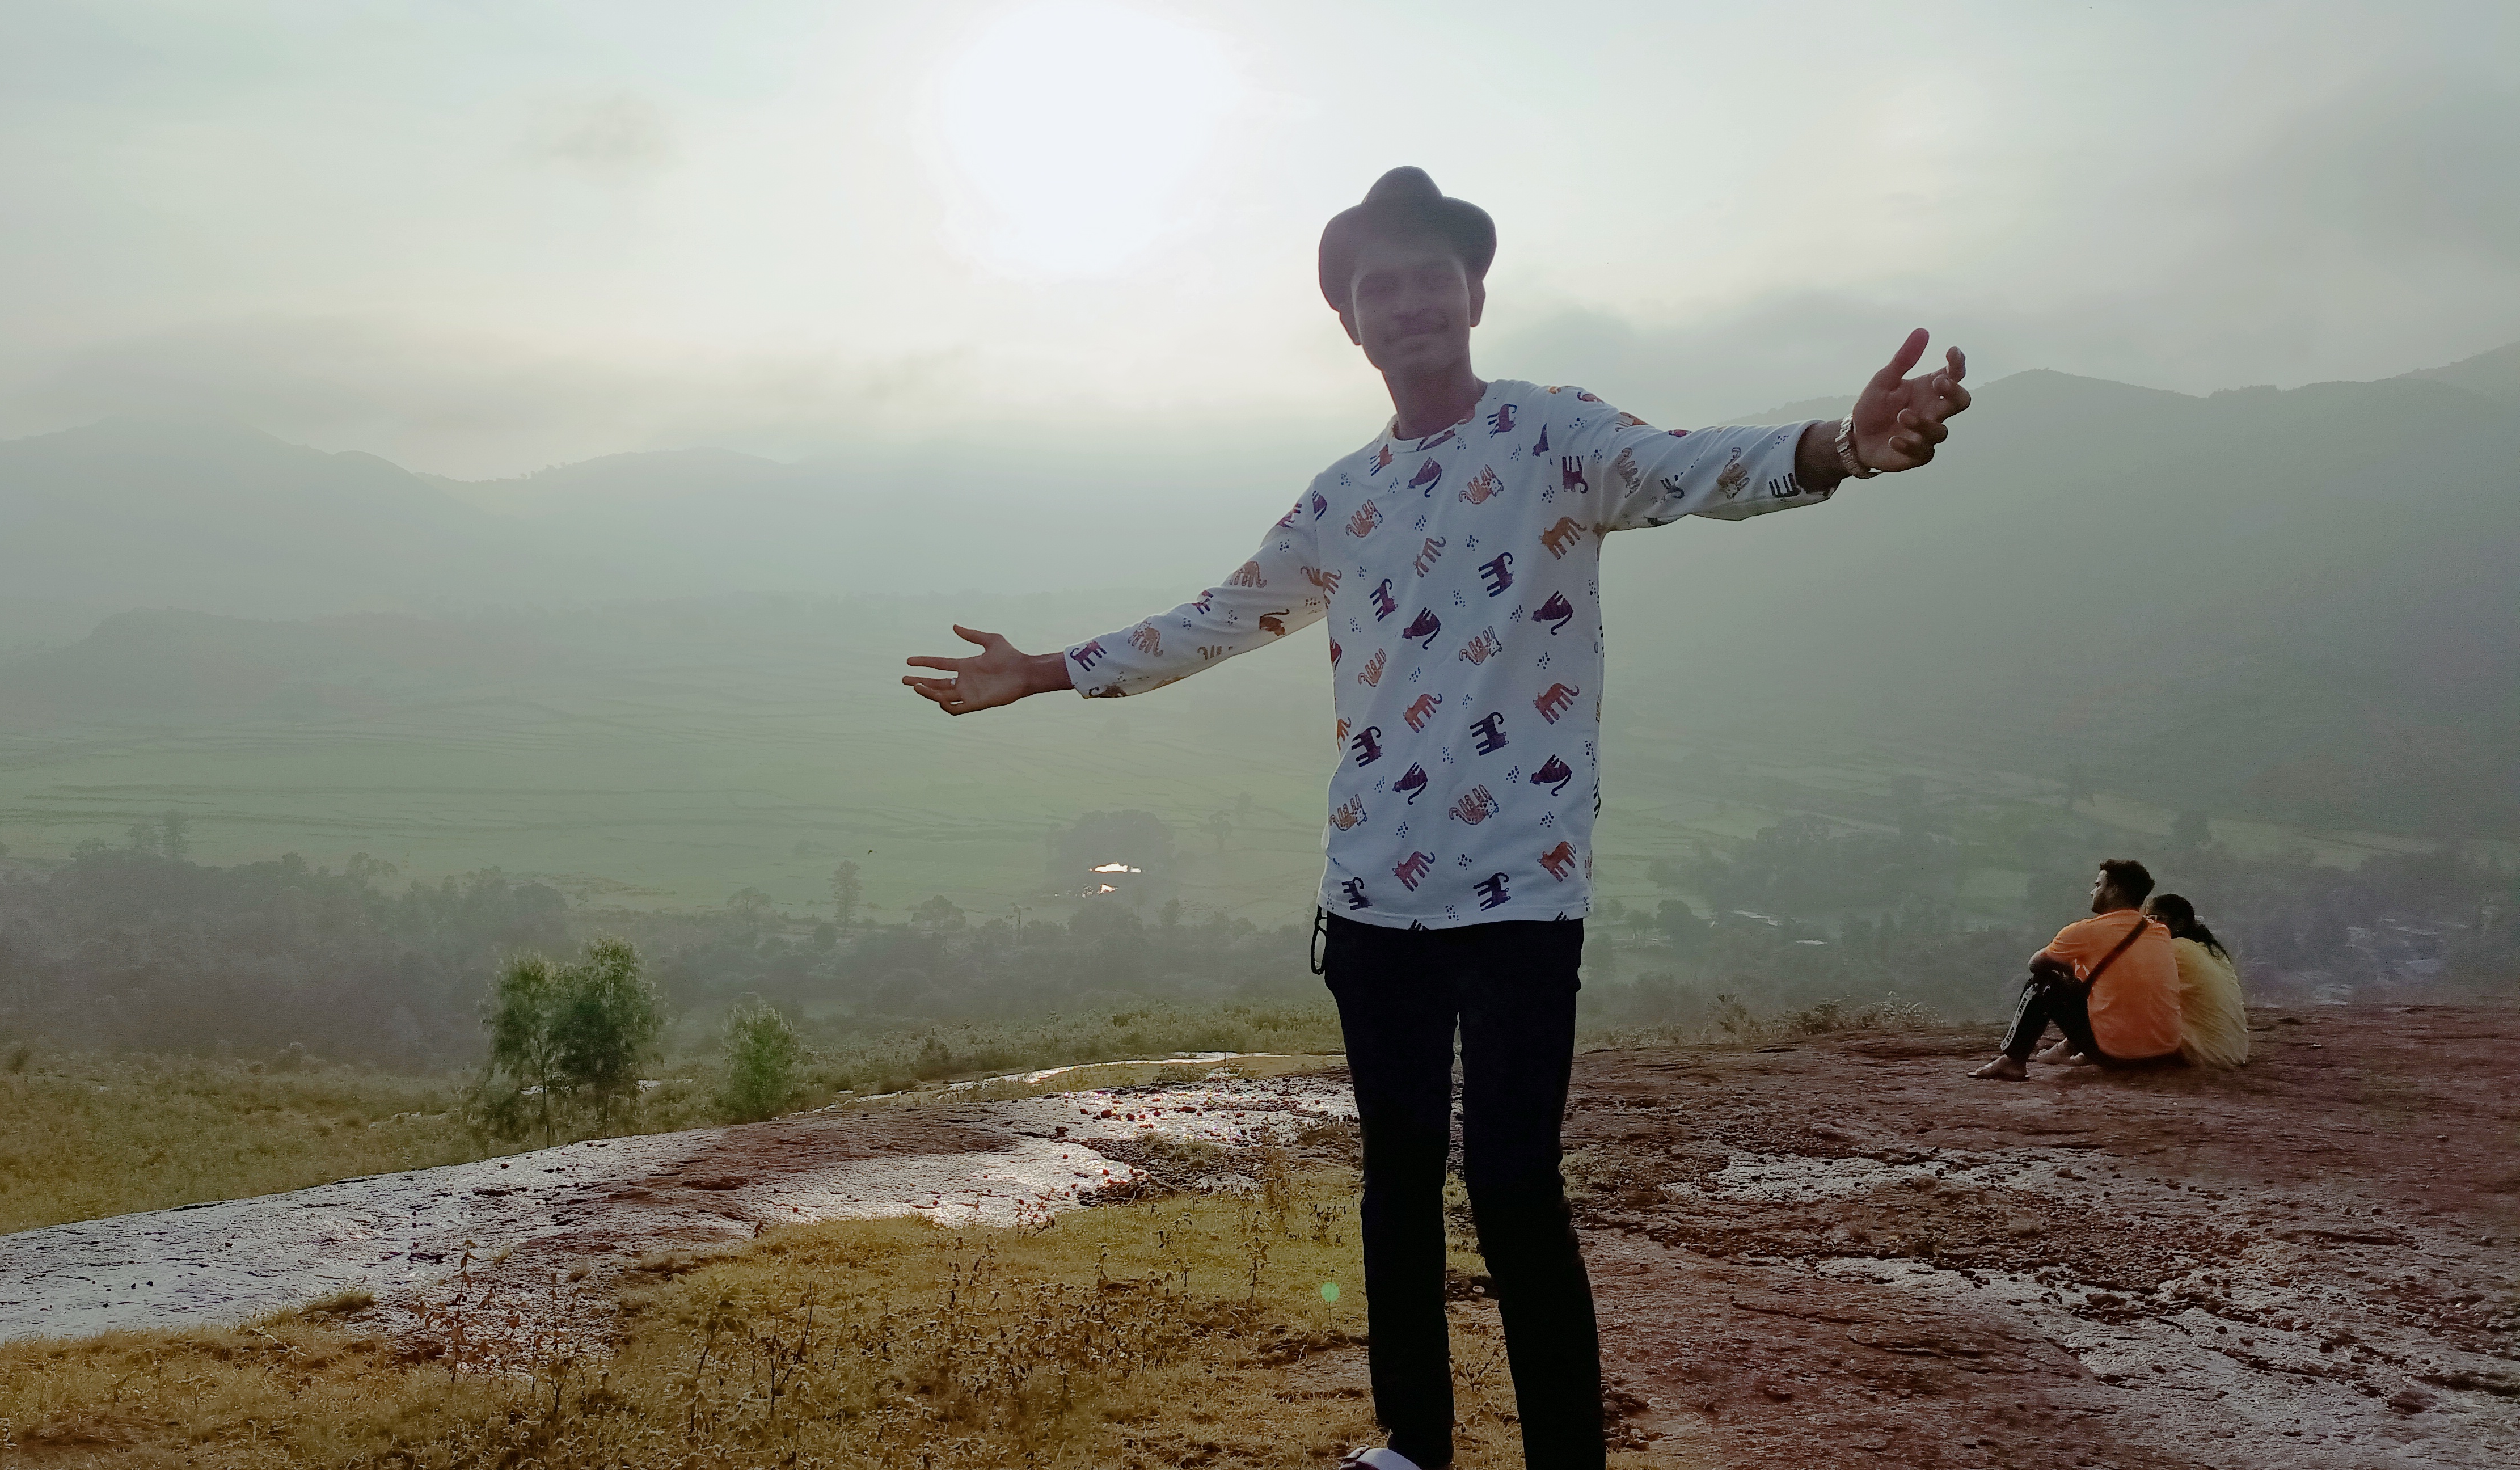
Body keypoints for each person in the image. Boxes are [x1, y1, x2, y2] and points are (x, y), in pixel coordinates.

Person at [903, 166, 1974, 1470]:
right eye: (1376, 287)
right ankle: (1415, 1442)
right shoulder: (1341, 496)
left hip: (1521, 889)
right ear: (1350, 323)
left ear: (1472, 292)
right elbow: (1220, 616)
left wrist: (1843, 447)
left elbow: (1692, 467)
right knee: (1397, 1177)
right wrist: (1051, 667)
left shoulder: (1550, 437)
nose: (1405, 302)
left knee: (1515, 1183)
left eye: (1426, 276)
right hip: (1371, 895)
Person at [1972, 859, 2180, 1081]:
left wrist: (2072, 970)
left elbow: (2036, 964)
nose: (2092, 892)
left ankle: (2012, 1061)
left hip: (2117, 1056)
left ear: (2114, 891)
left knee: (2043, 983)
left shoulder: (2084, 931)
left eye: (2099, 885)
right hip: (2164, 1052)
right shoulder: (2159, 931)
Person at [2150, 891, 2249, 1067]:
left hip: (2201, 1054)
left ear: (2179, 924)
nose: (2149, 925)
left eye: (2155, 919)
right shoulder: (2213, 951)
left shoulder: (2172, 948)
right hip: (2233, 1052)